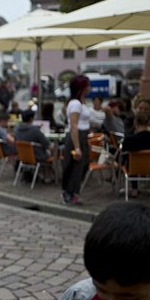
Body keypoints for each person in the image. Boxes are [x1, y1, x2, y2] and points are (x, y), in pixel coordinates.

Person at [61, 74, 91, 205]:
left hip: (82, 135)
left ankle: (72, 192)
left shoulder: (81, 102)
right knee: (75, 166)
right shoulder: (75, 104)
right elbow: (74, 125)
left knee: (82, 165)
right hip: (76, 136)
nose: (89, 88)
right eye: (88, 85)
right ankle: (68, 193)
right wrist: (77, 146)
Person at [121, 111, 150, 198]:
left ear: (135, 123)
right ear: (149, 123)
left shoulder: (130, 139)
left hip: (133, 168)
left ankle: (134, 189)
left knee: (130, 159)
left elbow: (123, 156)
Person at [14, 109, 54, 183]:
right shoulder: (34, 130)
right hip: (37, 156)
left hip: (22, 156)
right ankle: (48, 176)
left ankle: (39, 174)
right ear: (31, 118)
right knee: (53, 150)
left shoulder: (16, 129)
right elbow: (46, 143)